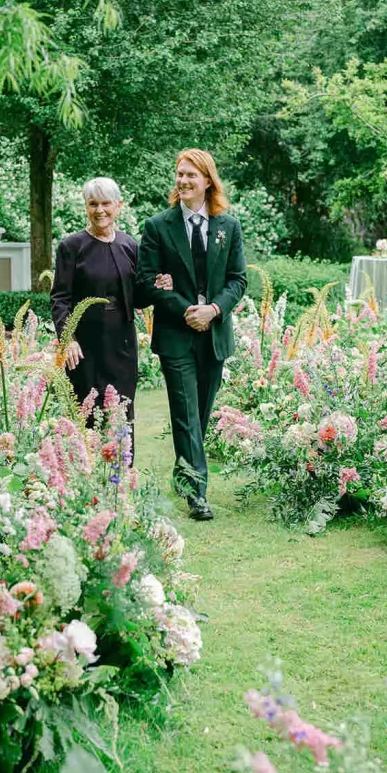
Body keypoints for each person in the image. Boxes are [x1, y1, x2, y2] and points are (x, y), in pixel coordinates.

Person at [136, 149, 247, 520]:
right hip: (176, 335)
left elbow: (238, 280)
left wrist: (213, 310)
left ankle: (184, 477)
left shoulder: (228, 227)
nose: (183, 181)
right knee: (185, 413)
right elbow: (145, 282)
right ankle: (198, 493)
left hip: (213, 334)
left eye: (191, 175)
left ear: (208, 182)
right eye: (179, 174)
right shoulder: (157, 227)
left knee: (200, 412)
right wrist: (185, 308)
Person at [51, 176, 171, 432]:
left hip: (122, 347)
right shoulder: (71, 247)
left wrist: (156, 288)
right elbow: (60, 298)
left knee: (121, 417)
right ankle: (88, 471)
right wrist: (67, 338)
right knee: (87, 417)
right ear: (86, 207)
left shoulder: (129, 245)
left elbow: (137, 297)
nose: (99, 210)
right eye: (93, 204)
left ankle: (123, 470)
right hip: (84, 347)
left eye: (106, 203)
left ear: (119, 206)